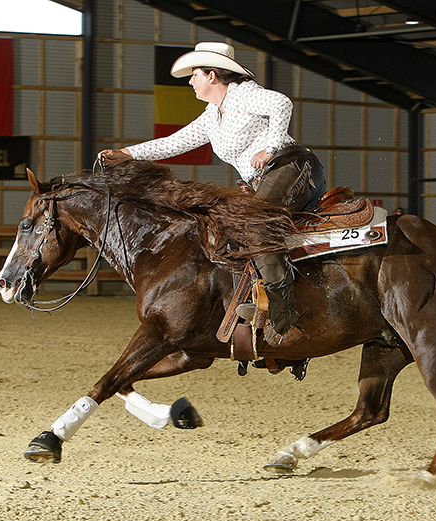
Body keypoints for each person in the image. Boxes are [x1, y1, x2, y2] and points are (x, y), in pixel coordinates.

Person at [98, 42, 326, 337]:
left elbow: (282, 103)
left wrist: (271, 148)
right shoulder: (212, 115)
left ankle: (283, 314)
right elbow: (173, 142)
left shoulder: (244, 94)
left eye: (194, 74)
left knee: (252, 224)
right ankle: (254, 299)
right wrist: (128, 153)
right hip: (270, 177)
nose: (191, 81)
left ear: (212, 76)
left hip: (292, 167)